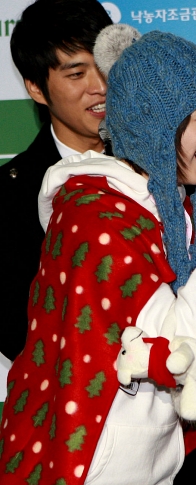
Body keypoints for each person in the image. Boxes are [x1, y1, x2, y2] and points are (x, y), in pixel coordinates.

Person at [0, 25, 196, 485]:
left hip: (153, 481)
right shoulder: (90, 211)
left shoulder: (177, 214)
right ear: (157, 121)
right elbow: (177, 336)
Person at [0, 0, 111, 363]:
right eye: (77, 74)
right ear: (36, 88)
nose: (100, 87)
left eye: (106, 66)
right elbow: (16, 332)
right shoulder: (9, 195)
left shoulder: (165, 163)